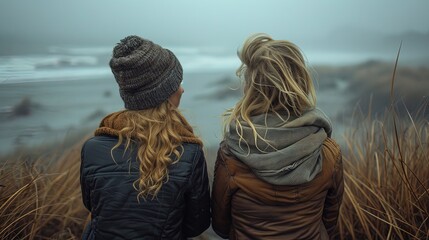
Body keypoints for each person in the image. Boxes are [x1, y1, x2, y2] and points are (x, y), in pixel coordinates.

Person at [211, 33, 344, 240]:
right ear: (299, 83)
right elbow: (330, 221)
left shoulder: (231, 154)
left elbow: (220, 225)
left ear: (251, 88)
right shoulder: (328, 152)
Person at [80, 35, 211, 239]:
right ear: (164, 93)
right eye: (177, 82)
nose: (182, 89)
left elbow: (93, 207)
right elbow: (197, 224)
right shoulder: (189, 153)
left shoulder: (92, 148)